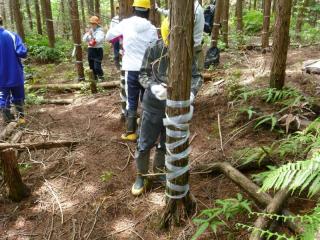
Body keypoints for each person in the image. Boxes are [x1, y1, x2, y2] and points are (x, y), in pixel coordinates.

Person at [131, 18, 203, 196]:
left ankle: (160, 170)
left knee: (165, 142)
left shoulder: (187, 51)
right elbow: (143, 74)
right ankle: (142, 175)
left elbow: (197, 76)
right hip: (152, 106)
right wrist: (153, 86)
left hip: (175, 107)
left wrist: (192, 92)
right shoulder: (154, 48)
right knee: (144, 143)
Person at [105, 0, 158, 142]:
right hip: (146, 69)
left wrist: (123, 38)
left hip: (131, 68)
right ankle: (146, 130)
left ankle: (131, 132)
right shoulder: (152, 29)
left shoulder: (125, 23)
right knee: (146, 99)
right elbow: (155, 48)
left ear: (134, 8)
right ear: (147, 11)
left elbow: (108, 36)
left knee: (131, 100)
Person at [155, 0, 205, 71]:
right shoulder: (195, 7)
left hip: (192, 49)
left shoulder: (193, 9)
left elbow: (182, 24)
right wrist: (158, 9)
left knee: (195, 76)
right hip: (195, 47)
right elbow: (173, 13)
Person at [0, 15, 28, 125]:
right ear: (2, 21)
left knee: (3, 100)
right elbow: (22, 53)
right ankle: (21, 122)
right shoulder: (12, 35)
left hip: (1, 78)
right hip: (15, 74)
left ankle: (9, 124)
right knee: (19, 98)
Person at [82, 16, 105, 82]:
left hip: (98, 50)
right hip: (91, 50)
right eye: (91, 23)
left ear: (97, 24)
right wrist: (88, 34)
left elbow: (96, 41)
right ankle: (94, 78)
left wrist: (91, 37)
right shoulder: (90, 31)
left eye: (93, 23)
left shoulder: (100, 32)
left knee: (97, 66)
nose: (92, 25)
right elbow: (84, 39)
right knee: (91, 65)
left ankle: (101, 76)